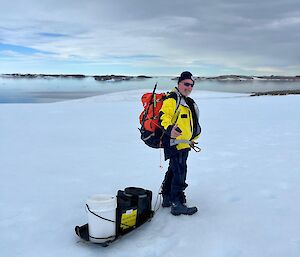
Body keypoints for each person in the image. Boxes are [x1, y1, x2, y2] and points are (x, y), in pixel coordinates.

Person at [159, 71, 201, 216]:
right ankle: (177, 203)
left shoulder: (184, 100)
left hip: (183, 143)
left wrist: (190, 139)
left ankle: (166, 197)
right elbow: (164, 116)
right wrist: (170, 129)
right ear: (179, 83)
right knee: (179, 172)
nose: (189, 87)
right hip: (174, 143)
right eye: (186, 84)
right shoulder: (172, 99)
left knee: (174, 169)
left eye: (191, 85)